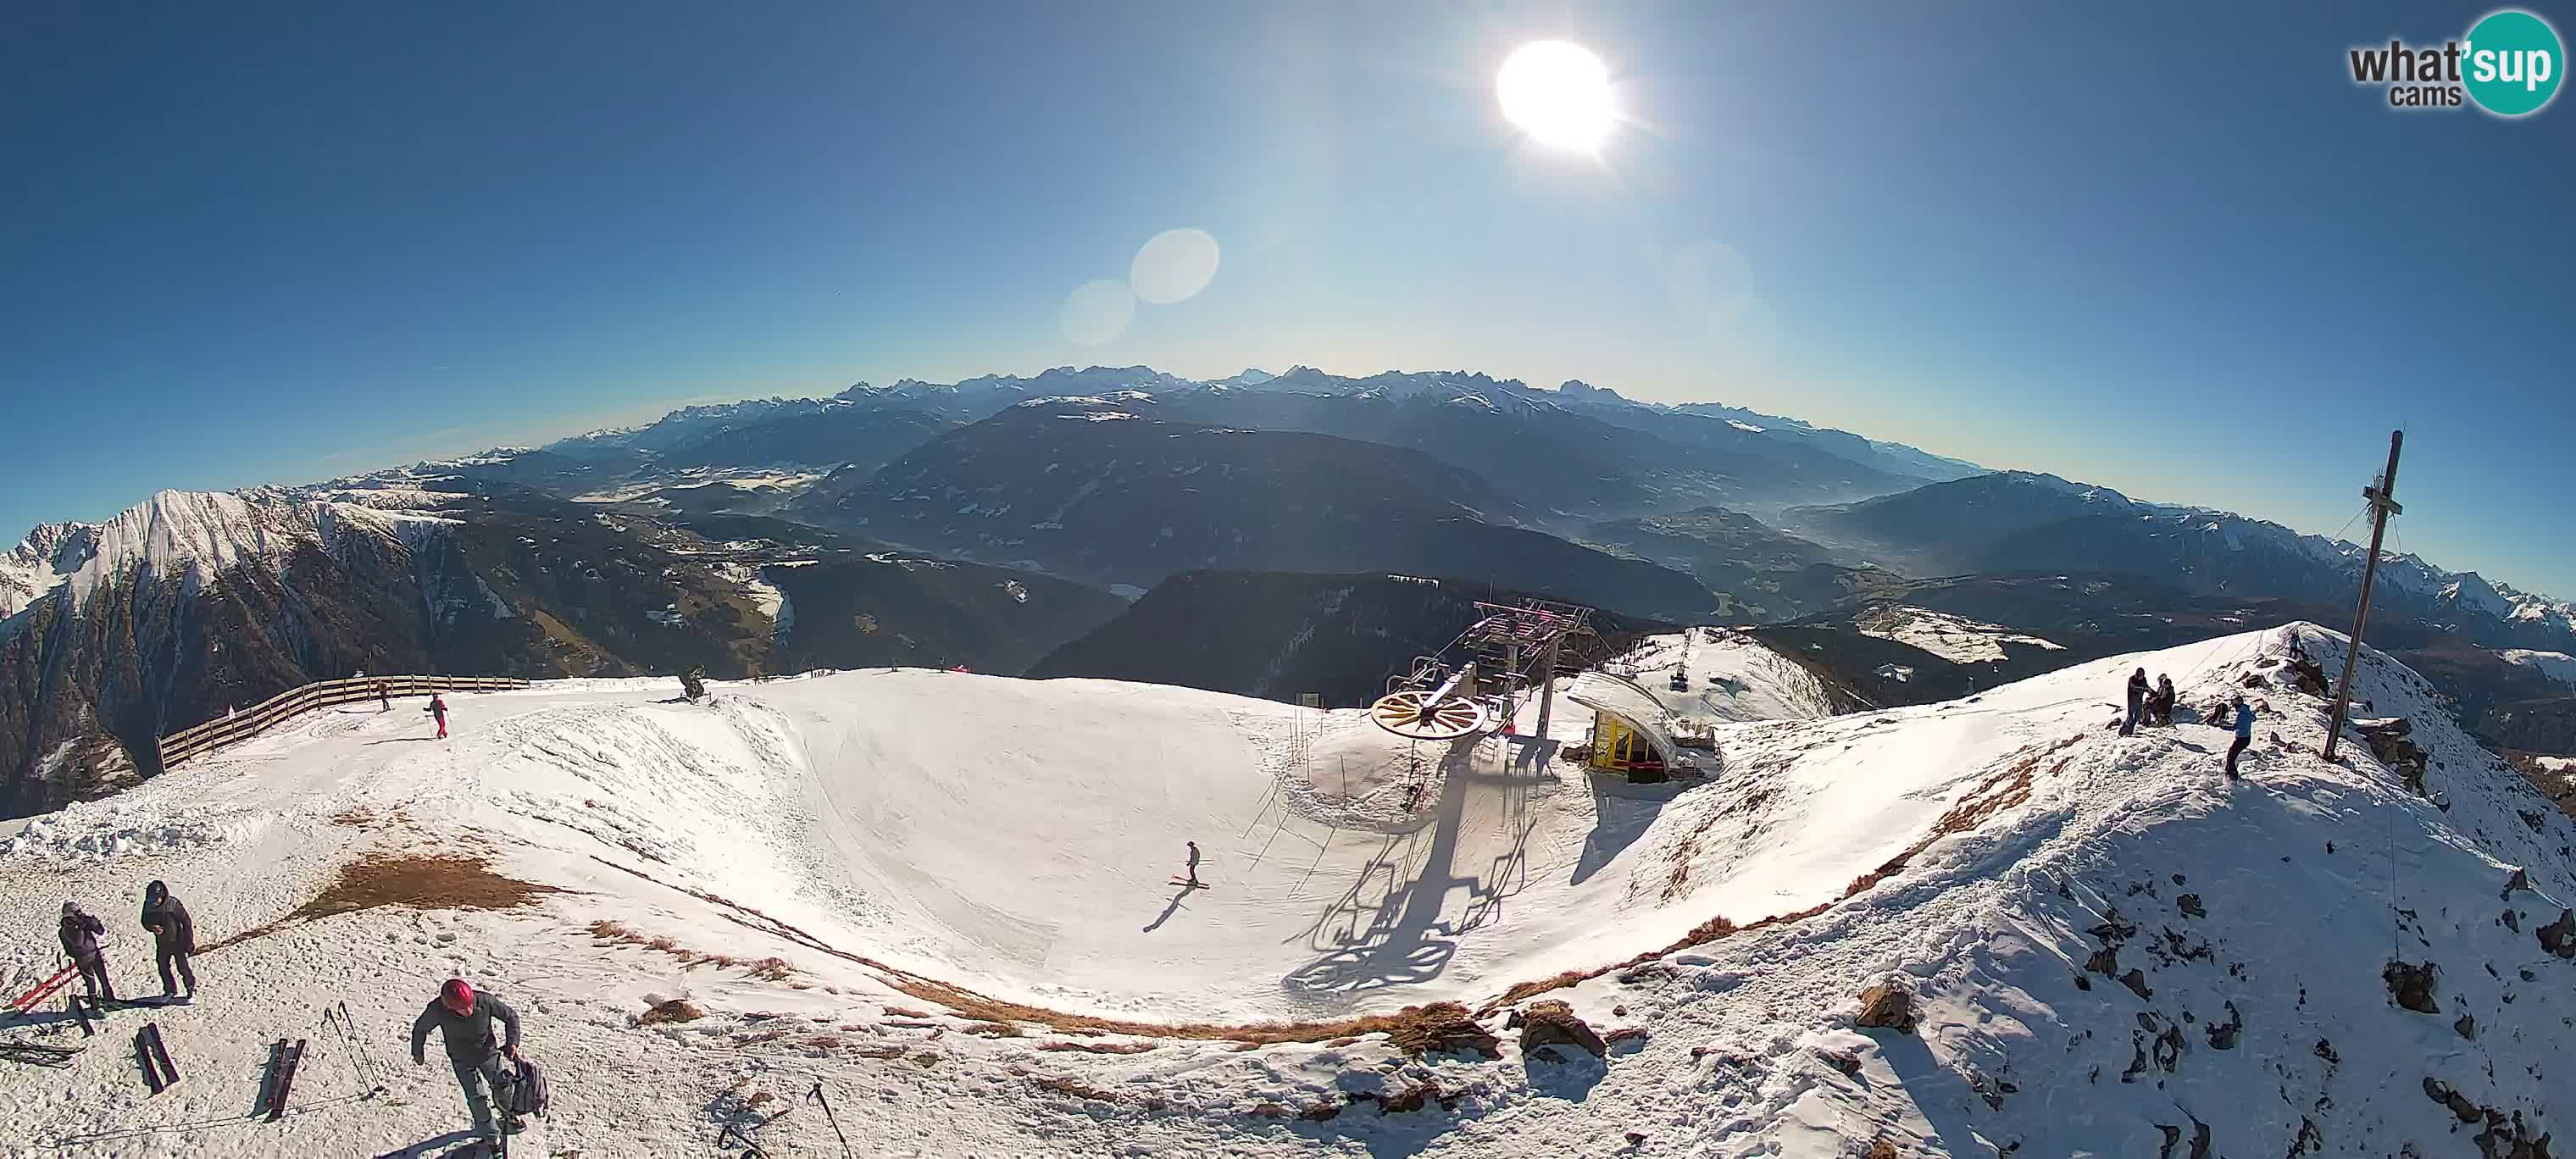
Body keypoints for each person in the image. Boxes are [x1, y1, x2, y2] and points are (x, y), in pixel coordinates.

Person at [413, 979, 524, 1149]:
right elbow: (420, 1029)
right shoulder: (436, 1010)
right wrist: (418, 1052)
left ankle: (510, 1116)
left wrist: (512, 1043)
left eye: (470, 1004)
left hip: (488, 1053)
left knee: (503, 1086)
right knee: (476, 1097)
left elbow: (510, 1016)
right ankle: (490, 1135)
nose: (469, 1010)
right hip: (461, 1059)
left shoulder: (484, 1000)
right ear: (448, 1005)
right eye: (462, 1008)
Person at [138, 881, 196, 1001]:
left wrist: (189, 942)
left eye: (156, 899)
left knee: (183, 967)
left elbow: (186, 922)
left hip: (177, 942)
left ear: (163, 896)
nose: (153, 902)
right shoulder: (148, 906)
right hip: (162, 942)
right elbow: (144, 921)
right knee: (163, 967)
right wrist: (151, 927)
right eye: (150, 900)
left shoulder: (172, 904)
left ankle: (191, 990)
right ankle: (170, 990)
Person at [58, 902, 114, 1002]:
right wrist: (86, 924)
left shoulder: (67, 928)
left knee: (97, 979)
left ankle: (102, 1001)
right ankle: (102, 1001)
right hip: (87, 955)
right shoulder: (73, 926)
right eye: (77, 912)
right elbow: (80, 941)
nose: (80, 914)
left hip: (88, 955)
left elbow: (100, 932)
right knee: (96, 979)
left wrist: (93, 923)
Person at [2225, 696, 2255, 779]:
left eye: (2234, 705)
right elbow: (2253, 718)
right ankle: (2229, 774)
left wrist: (2222, 726)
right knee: (2231, 756)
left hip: (2241, 739)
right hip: (2245, 738)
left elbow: (2235, 727)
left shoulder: (2242, 715)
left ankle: (2233, 778)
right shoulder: (2246, 711)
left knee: (2230, 757)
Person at [2121, 668, 2149, 736]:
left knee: (2138, 717)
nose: (2138, 677)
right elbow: (2134, 687)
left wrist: (2154, 693)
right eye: (2138, 675)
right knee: (2130, 717)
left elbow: (2147, 687)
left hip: (2139, 701)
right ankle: (2123, 729)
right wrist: (2143, 689)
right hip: (2132, 702)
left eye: (2140, 675)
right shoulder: (2132, 679)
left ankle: (2130, 730)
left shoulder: (2144, 680)